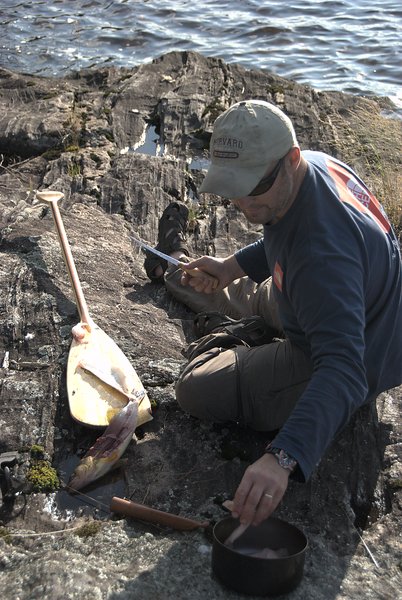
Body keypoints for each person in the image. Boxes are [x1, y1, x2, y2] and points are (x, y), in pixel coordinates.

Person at [143, 99, 402, 527]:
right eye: (232, 186)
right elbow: (283, 240)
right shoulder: (314, 169)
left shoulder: (323, 257)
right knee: (206, 278)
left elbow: (343, 368)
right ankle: (171, 263)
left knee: (194, 390)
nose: (242, 202)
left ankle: (246, 347)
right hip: (316, 300)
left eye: (253, 187)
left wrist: (282, 458)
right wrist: (229, 268)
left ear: (291, 160)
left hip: (354, 352)